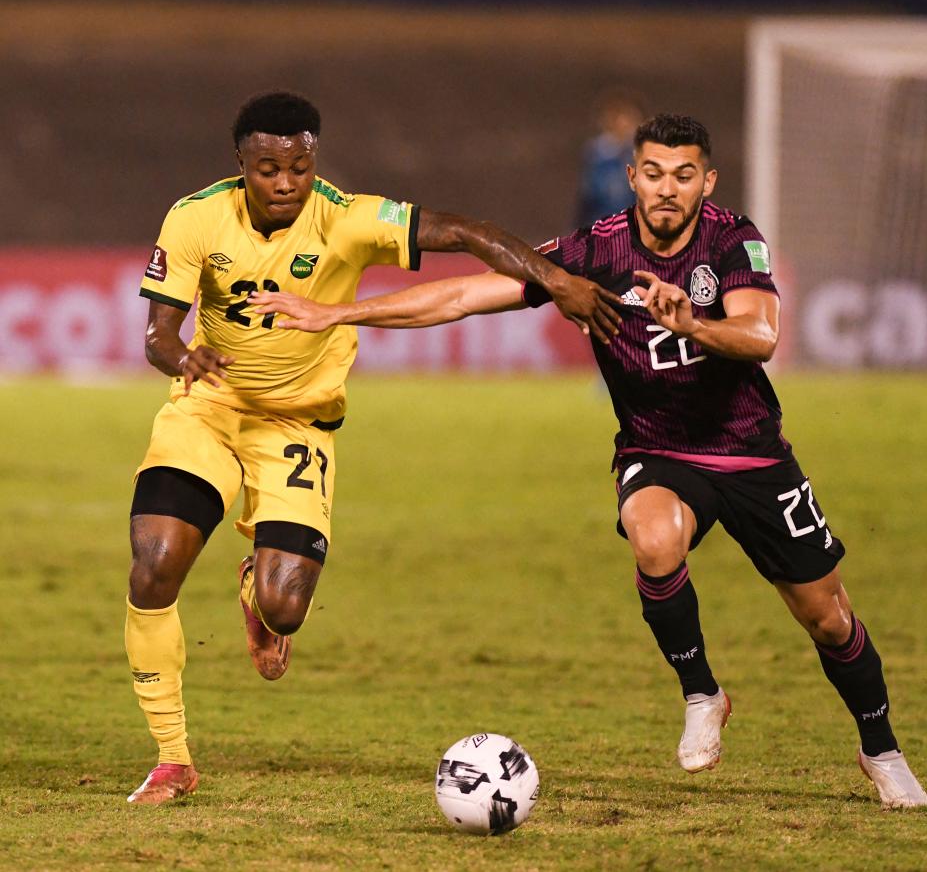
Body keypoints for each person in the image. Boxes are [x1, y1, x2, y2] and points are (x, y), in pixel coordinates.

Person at [250, 113, 927, 810]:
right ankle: (702, 693)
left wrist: (690, 323)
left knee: (828, 619)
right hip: (657, 450)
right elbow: (460, 295)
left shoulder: (732, 238)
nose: (669, 189)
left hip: (752, 454)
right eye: (655, 173)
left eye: (685, 175)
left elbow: (759, 335)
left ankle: (880, 748)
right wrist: (338, 313)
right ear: (633, 176)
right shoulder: (593, 251)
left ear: (707, 181)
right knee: (654, 538)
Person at [125, 90, 622, 805]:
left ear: (312, 159)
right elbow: (158, 335)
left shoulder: (349, 218)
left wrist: (555, 279)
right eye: (268, 168)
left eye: (298, 165)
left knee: (286, 607)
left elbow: (464, 231)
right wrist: (182, 362)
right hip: (208, 409)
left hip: (299, 424)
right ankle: (173, 756)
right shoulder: (196, 216)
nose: (286, 182)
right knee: (155, 564)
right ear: (243, 165)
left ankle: (254, 590)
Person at [576, 89, 645, 226]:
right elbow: (589, 197)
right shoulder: (597, 154)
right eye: (618, 118)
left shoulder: (643, 153)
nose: (623, 125)